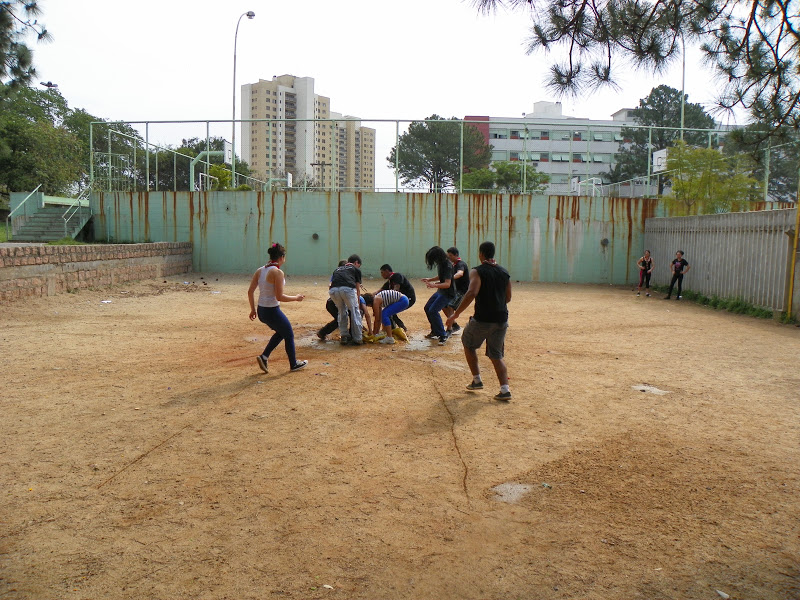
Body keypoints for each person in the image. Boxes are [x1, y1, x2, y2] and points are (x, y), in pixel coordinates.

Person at [445, 241, 512, 401]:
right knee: (496, 355)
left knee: (468, 343)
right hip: (501, 319)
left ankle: (477, 380)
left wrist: (455, 315)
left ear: (481, 254)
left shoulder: (477, 271)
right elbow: (508, 297)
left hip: (483, 318)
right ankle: (505, 390)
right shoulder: (504, 272)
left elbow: (471, 293)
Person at [247, 243, 308, 374]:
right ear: (281, 257)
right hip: (272, 311)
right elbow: (279, 296)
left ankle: (264, 357)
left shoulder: (260, 270)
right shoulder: (277, 272)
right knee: (289, 334)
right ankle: (293, 364)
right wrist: (296, 298)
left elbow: (250, 291)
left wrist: (253, 309)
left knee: (281, 332)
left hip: (261, 311)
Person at [318, 261, 372, 341]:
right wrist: (369, 331)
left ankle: (343, 336)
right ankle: (356, 337)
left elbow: (331, 286)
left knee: (341, 316)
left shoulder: (338, 272)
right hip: (337, 300)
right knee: (355, 313)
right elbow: (365, 314)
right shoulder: (360, 299)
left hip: (331, 300)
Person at [421, 246, 455, 345]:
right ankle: (435, 331)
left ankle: (442, 335)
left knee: (433, 310)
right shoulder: (441, 263)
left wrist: (434, 285)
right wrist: (430, 279)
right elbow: (441, 276)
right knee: (427, 308)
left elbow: (447, 284)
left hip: (448, 293)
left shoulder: (448, 265)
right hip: (441, 291)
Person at [329, 254, 365, 345]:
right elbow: (357, 288)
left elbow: (331, 284)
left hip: (333, 291)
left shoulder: (338, 269)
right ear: (356, 263)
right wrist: (357, 303)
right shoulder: (356, 269)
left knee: (341, 312)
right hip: (348, 289)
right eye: (359, 265)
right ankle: (358, 338)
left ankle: (344, 336)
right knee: (355, 312)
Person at [378, 264, 416, 331]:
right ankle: (398, 327)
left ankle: (397, 328)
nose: (381, 275)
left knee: (390, 311)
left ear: (387, 271)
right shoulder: (389, 282)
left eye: (382, 272)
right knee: (390, 311)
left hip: (409, 298)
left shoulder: (397, 276)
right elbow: (379, 291)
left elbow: (396, 289)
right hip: (401, 299)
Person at [443, 247, 468, 332]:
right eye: (448, 255)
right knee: (443, 305)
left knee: (450, 306)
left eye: (450, 255)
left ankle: (449, 329)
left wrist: (450, 279)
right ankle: (454, 325)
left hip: (462, 291)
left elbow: (460, 273)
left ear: (456, 255)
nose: (448, 257)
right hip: (455, 290)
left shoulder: (460, 264)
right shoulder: (452, 265)